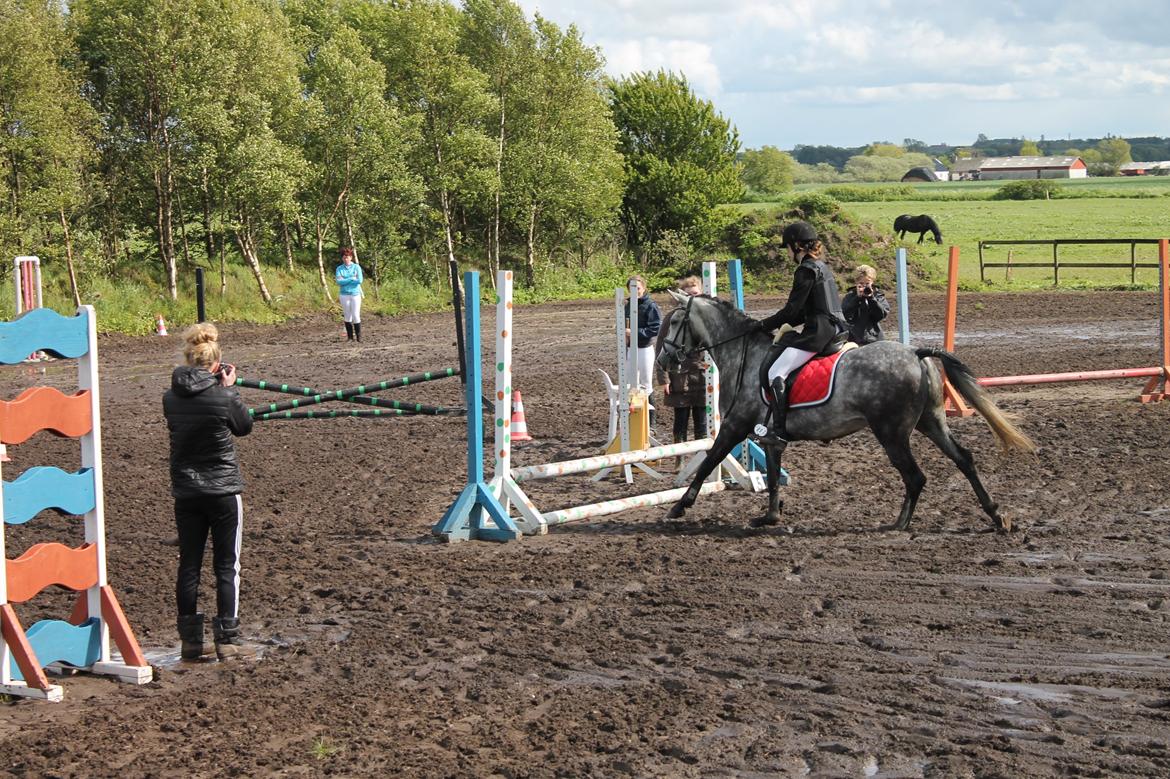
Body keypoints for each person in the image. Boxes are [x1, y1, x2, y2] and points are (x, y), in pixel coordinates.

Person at [163, 323, 256, 662]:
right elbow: (243, 426)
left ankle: (190, 641)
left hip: (187, 491)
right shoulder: (224, 394)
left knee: (189, 565)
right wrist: (230, 389)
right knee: (226, 565)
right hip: (223, 489)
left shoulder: (170, 397)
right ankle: (227, 640)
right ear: (217, 364)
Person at [754, 221, 847, 448]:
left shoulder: (805, 270)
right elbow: (801, 314)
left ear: (797, 246)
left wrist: (763, 325)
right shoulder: (822, 266)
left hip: (819, 332)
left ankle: (779, 432)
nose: (787, 253)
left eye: (788, 247)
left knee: (776, 372)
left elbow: (791, 311)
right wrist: (775, 324)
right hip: (838, 328)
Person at [655, 276, 708, 450]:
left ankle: (702, 456)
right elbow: (661, 348)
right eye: (688, 294)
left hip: (702, 375)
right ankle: (679, 458)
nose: (692, 297)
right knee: (681, 420)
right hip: (679, 376)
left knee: (702, 421)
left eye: (695, 293)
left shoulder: (707, 316)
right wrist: (664, 379)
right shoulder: (672, 317)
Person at [624, 275, 661, 426]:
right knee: (630, 384)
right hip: (629, 349)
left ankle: (651, 423)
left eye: (637, 288)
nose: (635, 291)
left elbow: (655, 328)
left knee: (646, 385)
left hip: (644, 349)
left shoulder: (651, 305)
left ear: (643, 288)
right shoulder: (626, 304)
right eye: (632, 289)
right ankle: (632, 420)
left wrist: (634, 332)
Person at [841, 264, 891, 345]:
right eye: (861, 283)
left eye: (867, 283)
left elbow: (881, 314)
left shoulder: (878, 295)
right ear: (856, 282)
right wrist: (857, 298)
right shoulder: (850, 296)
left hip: (875, 338)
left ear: (872, 282)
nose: (864, 286)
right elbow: (845, 314)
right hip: (854, 339)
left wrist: (871, 298)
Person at [335, 248, 364, 342]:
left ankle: (359, 337)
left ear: (351, 257)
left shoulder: (356, 267)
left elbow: (360, 280)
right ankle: (350, 337)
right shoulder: (339, 268)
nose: (345, 259)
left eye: (347, 257)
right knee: (347, 315)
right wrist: (351, 278)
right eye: (344, 257)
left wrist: (346, 280)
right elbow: (339, 281)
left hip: (355, 294)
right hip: (344, 294)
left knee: (356, 315)